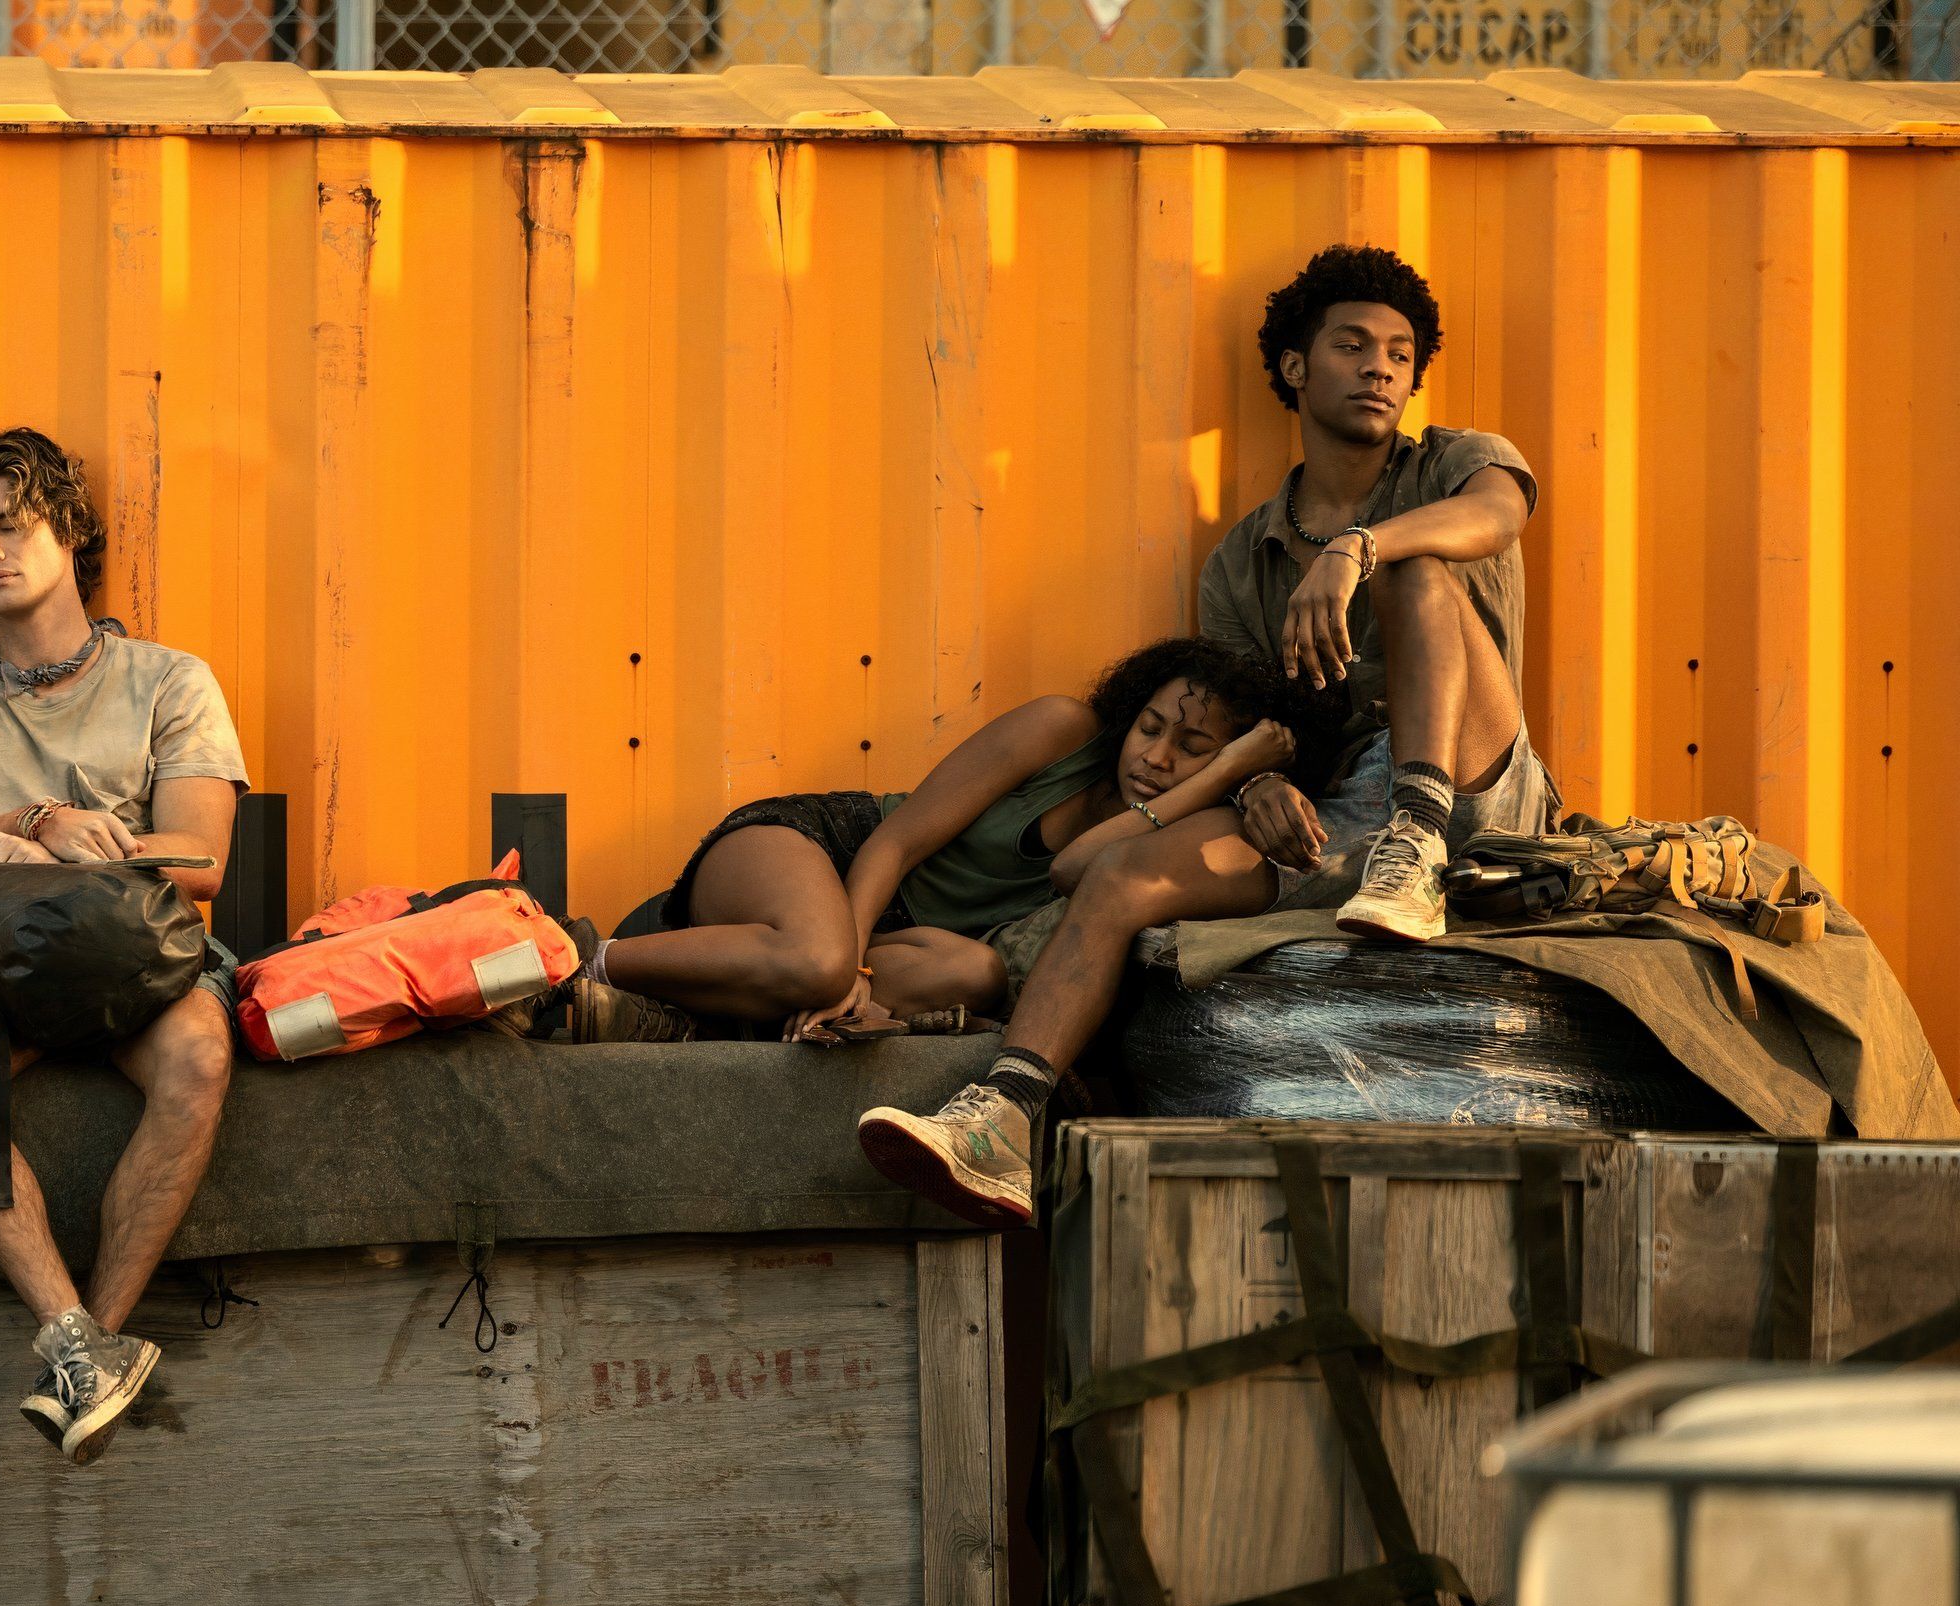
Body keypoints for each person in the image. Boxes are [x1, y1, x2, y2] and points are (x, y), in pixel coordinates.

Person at [859, 243, 1558, 1223]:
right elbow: (1265, 720)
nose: (1380, 369)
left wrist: (1359, 548)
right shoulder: (1243, 561)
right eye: (1352, 345)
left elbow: (1493, 520)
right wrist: (1256, 787)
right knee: (1122, 877)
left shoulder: (1456, 463)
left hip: (1475, 786)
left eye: (1400, 354)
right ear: (1294, 367)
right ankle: (1005, 1118)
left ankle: (1420, 837)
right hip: (1331, 810)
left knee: (1418, 571)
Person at [0, 428, 248, 1465]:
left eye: (13, 523)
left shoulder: (171, 680)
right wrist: (43, 818)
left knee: (201, 1058)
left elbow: (203, 862)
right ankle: (72, 1337)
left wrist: (86, 856)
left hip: (151, 955)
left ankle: (100, 1334)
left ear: (70, 529)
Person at [596, 639, 1324, 1048]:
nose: (1156, 757)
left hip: (897, 940)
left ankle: (693, 1009)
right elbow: (894, 843)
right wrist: (845, 965)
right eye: (1151, 726)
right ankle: (574, 961)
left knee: (979, 975)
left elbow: (1079, 866)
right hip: (824, 848)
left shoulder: (1164, 835)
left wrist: (1229, 778)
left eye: (1193, 747)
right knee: (819, 966)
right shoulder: (1061, 731)